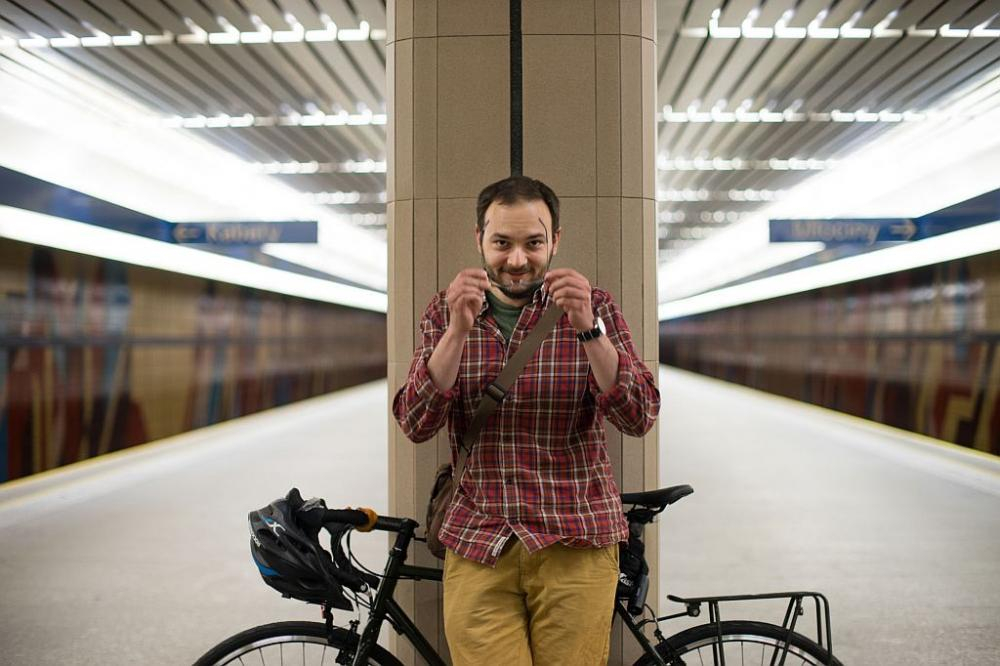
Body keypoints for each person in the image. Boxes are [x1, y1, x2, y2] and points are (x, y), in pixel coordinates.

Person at [392, 175, 660, 665]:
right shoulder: (445, 310)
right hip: (479, 540)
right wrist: (457, 331)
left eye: (533, 243)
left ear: (555, 240)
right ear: (479, 239)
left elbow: (639, 415)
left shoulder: (595, 306)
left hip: (576, 537)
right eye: (502, 243)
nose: (517, 260)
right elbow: (415, 423)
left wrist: (588, 329)